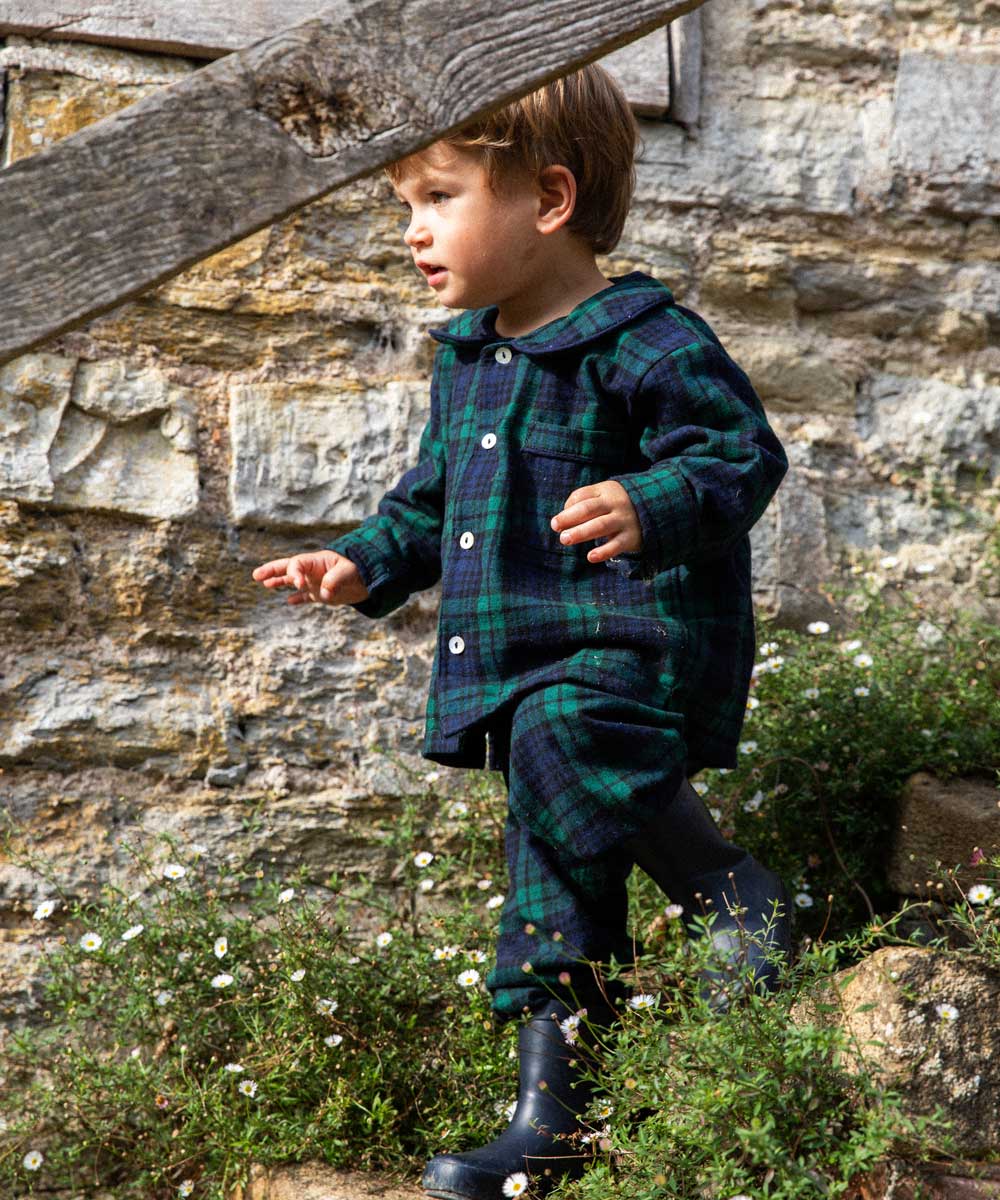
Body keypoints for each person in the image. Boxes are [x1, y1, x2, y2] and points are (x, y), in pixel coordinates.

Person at [252, 63, 792, 1200]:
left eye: (438, 197)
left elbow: (741, 455)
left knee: (560, 732)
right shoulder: (467, 362)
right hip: (519, 651)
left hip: (627, 642)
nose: (412, 231)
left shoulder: (640, 337)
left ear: (547, 200)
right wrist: (359, 562)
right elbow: (430, 497)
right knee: (548, 866)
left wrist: (650, 502)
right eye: (405, 205)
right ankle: (554, 1116)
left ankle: (727, 890)